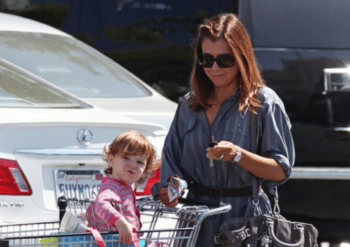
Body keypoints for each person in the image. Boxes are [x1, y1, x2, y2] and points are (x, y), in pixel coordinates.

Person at [159, 13, 295, 247]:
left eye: (225, 60)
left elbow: (281, 170)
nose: (214, 67)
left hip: (245, 223)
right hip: (196, 223)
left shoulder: (264, 103)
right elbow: (173, 164)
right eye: (206, 59)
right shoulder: (188, 106)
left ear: (241, 58)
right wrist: (170, 191)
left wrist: (238, 155)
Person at [85, 130, 156, 245]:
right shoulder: (112, 187)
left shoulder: (122, 187)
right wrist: (120, 223)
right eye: (126, 157)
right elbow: (101, 204)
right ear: (111, 160)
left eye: (139, 162)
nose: (133, 165)